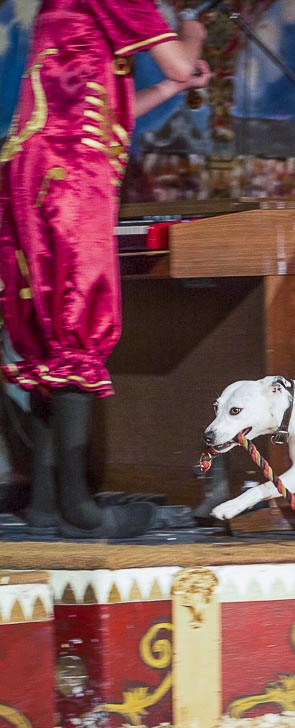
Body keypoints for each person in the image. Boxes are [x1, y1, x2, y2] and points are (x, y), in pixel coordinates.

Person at [0, 0, 211, 538]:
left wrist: (169, 92)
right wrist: (193, 28)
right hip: (72, 173)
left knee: (50, 335)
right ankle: (80, 508)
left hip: (33, 167)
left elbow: (108, 105)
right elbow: (181, 61)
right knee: (78, 318)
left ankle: (48, 503)